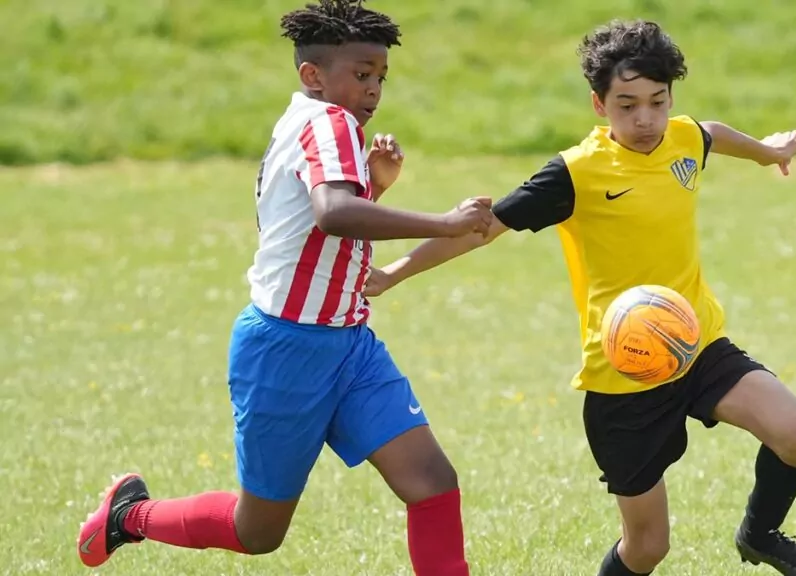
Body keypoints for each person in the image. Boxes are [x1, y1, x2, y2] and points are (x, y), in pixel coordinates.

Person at [366, 18, 796, 576]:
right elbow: (483, 228)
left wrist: (768, 151)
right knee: (647, 548)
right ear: (599, 104)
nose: (645, 119)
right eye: (627, 104)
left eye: (657, 102)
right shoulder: (576, 172)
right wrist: (393, 272)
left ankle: (761, 535)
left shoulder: (683, 137)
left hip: (695, 341)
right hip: (625, 373)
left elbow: (711, 132)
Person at [75, 2, 489, 574]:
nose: (373, 91)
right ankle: (131, 515)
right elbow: (332, 214)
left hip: (349, 344)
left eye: (380, 78)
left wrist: (373, 185)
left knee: (432, 483)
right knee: (257, 531)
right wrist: (444, 222)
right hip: (286, 349)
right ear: (312, 75)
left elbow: (318, 219)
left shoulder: (306, 119)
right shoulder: (330, 122)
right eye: (361, 75)